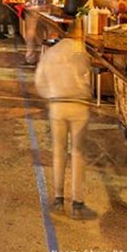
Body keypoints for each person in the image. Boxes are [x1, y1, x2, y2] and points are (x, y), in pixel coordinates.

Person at [34, 21, 97, 220]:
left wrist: (51, 96)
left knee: (58, 153)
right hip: (78, 106)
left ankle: (58, 199)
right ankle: (77, 204)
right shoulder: (81, 52)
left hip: (57, 106)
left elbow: (39, 81)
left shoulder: (51, 53)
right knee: (78, 154)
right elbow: (87, 78)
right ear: (78, 34)